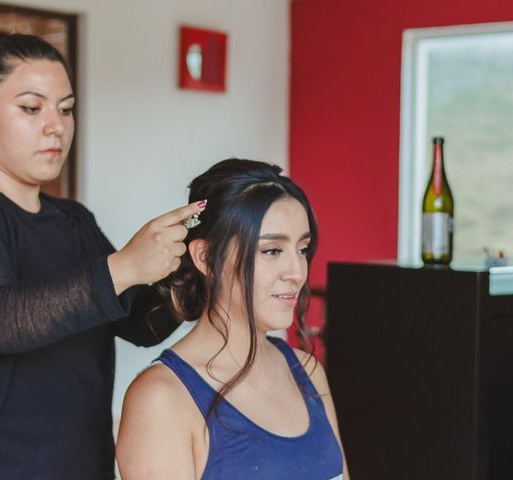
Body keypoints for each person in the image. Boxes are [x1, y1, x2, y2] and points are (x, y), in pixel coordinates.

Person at [0, 28, 204, 479]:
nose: (56, 126)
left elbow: (138, 323)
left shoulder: (73, 221)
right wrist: (125, 265)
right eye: (31, 108)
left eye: (66, 109)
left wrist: (197, 269)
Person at [116, 159, 350, 479]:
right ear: (205, 258)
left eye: (302, 249)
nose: (297, 272)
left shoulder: (308, 373)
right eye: (271, 251)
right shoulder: (161, 399)